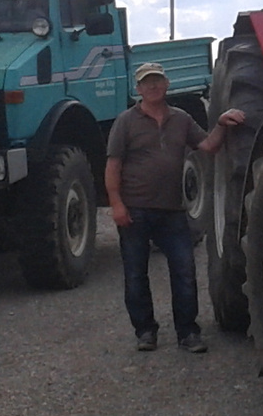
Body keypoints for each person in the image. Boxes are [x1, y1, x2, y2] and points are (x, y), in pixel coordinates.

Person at [105, 62, 245, 353]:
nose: (153, 87)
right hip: (135, 210)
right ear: (138, 89)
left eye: (158, 81)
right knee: (135, 273)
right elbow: (113, 165)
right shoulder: (125, 122)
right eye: (147, 83)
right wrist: (117, 204)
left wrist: (221, 123)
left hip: (172, 210)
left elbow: (208, 146)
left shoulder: (181, 119)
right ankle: (145, 331)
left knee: (183, 270)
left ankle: (188, 332)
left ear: (167, 84)